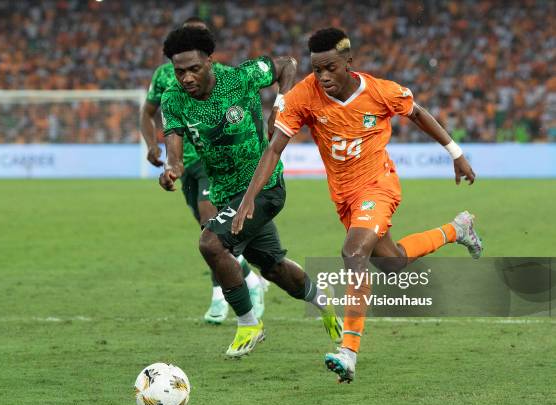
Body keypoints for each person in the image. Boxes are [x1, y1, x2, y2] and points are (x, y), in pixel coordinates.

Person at [231, 28, 483, 381]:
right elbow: (274, 148)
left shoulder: (380, 90)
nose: (323, 77)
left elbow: (418, 112)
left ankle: (348, 351)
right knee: (392, 264)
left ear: (348, 62)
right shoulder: (305, 95)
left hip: (379, 186)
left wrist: (455, 153)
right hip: (345, 198)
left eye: (330, 68)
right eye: (317, 70)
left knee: (353, 253)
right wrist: (248, 199)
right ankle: (457, 230)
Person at [158, 26, 342, 357]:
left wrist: (281, 105)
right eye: (179, 70)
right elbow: (174, 148)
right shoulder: (172, 98)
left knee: (211, 243)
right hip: (225, 194)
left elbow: (287, 64)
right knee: (273, 268)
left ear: (210, 62)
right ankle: (322, 301)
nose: (185, 78)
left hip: (264, 187)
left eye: (193, 69)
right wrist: (172, 168)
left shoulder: (241, 77)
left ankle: (248, 324)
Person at [141, 17, 267, 324]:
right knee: (207, 231)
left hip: (211, 164)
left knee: (211, 231)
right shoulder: (163, 78)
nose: (185, 75)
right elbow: (147, 113)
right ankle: (250, 279)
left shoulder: (222, 77)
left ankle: (220, 299)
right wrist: (153, 146)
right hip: (184, 164)